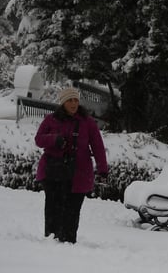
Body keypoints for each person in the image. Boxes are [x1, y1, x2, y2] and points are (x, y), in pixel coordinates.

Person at [35, 86, 109, 243]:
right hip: (53, 172)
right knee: (53, 208)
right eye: (70, 100)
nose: (74, 103)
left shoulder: (88, 122)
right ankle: (51, 240)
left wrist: (103, 170)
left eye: (76, 100)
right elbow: (39, 140)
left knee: (72, 210)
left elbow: (98, 146)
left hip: (78, 174)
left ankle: (68, 242)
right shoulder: (50, 119)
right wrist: (54, 139)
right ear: (63, 102)